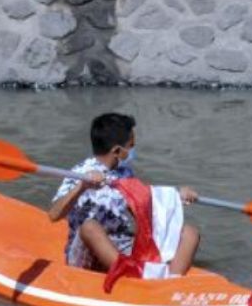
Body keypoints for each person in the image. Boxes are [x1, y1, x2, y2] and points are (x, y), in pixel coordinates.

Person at [48, 112, 200, 279]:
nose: (133, 151)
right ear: (118, 151)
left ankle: (171, 282)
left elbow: (146, 201)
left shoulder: (125, 173)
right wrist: (82, 186)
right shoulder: (80, 173)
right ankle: (132, 279)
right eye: (131, 146)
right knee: (90, 227)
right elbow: (54, 215)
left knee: (189, 233)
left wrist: (176, 195)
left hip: (121, 247)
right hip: (87, 254)